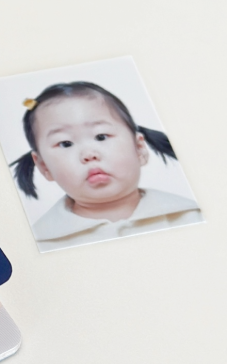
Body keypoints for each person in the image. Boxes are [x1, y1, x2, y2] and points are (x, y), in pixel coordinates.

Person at [10, 82, 203, 252]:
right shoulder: (42, 240)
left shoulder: (189, 214)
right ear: (44, 166)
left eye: (101, 136)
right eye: (66, 144)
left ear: (139, 148)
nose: (89, 154)